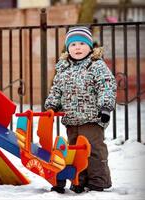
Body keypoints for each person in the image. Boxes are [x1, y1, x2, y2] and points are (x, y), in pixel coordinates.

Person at [44, 26, 117, 193]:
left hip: (92, 118)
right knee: (75, 152)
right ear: (68, 48)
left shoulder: (96, 65)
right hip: (71, 120)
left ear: (90, 47)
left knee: (93, 150)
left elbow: (106, 86)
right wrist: (51, 106)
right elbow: (56, 89)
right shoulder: (63, 68)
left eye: (82, 44)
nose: (77, 48)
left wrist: (105, 107)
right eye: (73, 44)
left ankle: (98, 181)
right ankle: (79, 180)